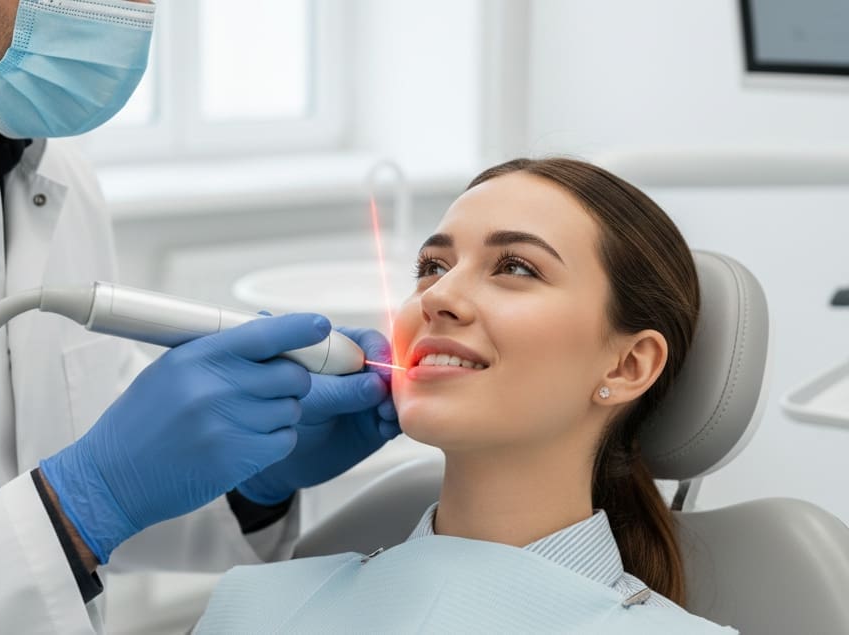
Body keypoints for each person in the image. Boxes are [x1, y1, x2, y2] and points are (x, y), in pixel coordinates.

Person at [0, 0, 399, 632]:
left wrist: (250, 485)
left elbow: (94, 476)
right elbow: (75, 505)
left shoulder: (54, 175)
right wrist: (84, 502)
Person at [195, 158, 738, 633]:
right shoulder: (256, 605)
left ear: (627, 365)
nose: (440, 297)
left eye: (516, 268)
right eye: (433, 267)